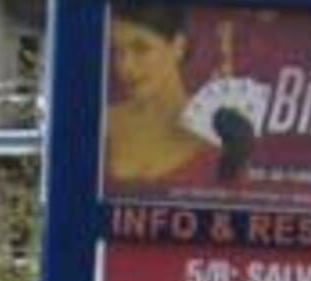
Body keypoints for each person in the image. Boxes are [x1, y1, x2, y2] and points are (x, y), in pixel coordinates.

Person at [104, 5, 253, 192]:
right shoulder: (103, 122)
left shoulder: (223, 134)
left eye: (141, 48)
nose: (125, 66)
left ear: (178, 46)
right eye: (118, 51)